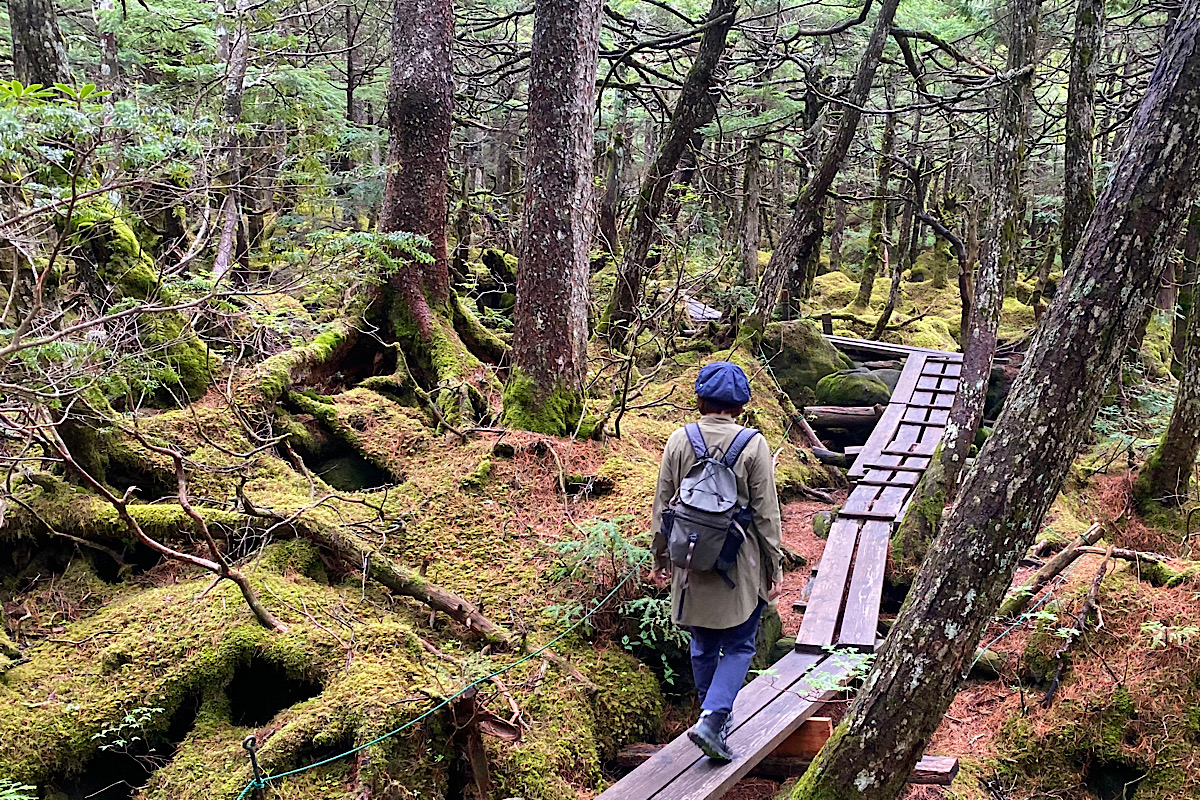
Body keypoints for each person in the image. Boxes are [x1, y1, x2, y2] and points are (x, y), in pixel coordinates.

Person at [651, 361, 783, 762]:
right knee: (741, 644)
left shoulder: (679, 440)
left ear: (701, 398)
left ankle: (712, 718)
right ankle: (712, 720)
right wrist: (774, 565)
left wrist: (660, 558)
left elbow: (663, 505)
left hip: (691, 561)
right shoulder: (753, 444)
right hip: (737, 565)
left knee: (703, 643)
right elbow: (766, 514)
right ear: (740, 404)